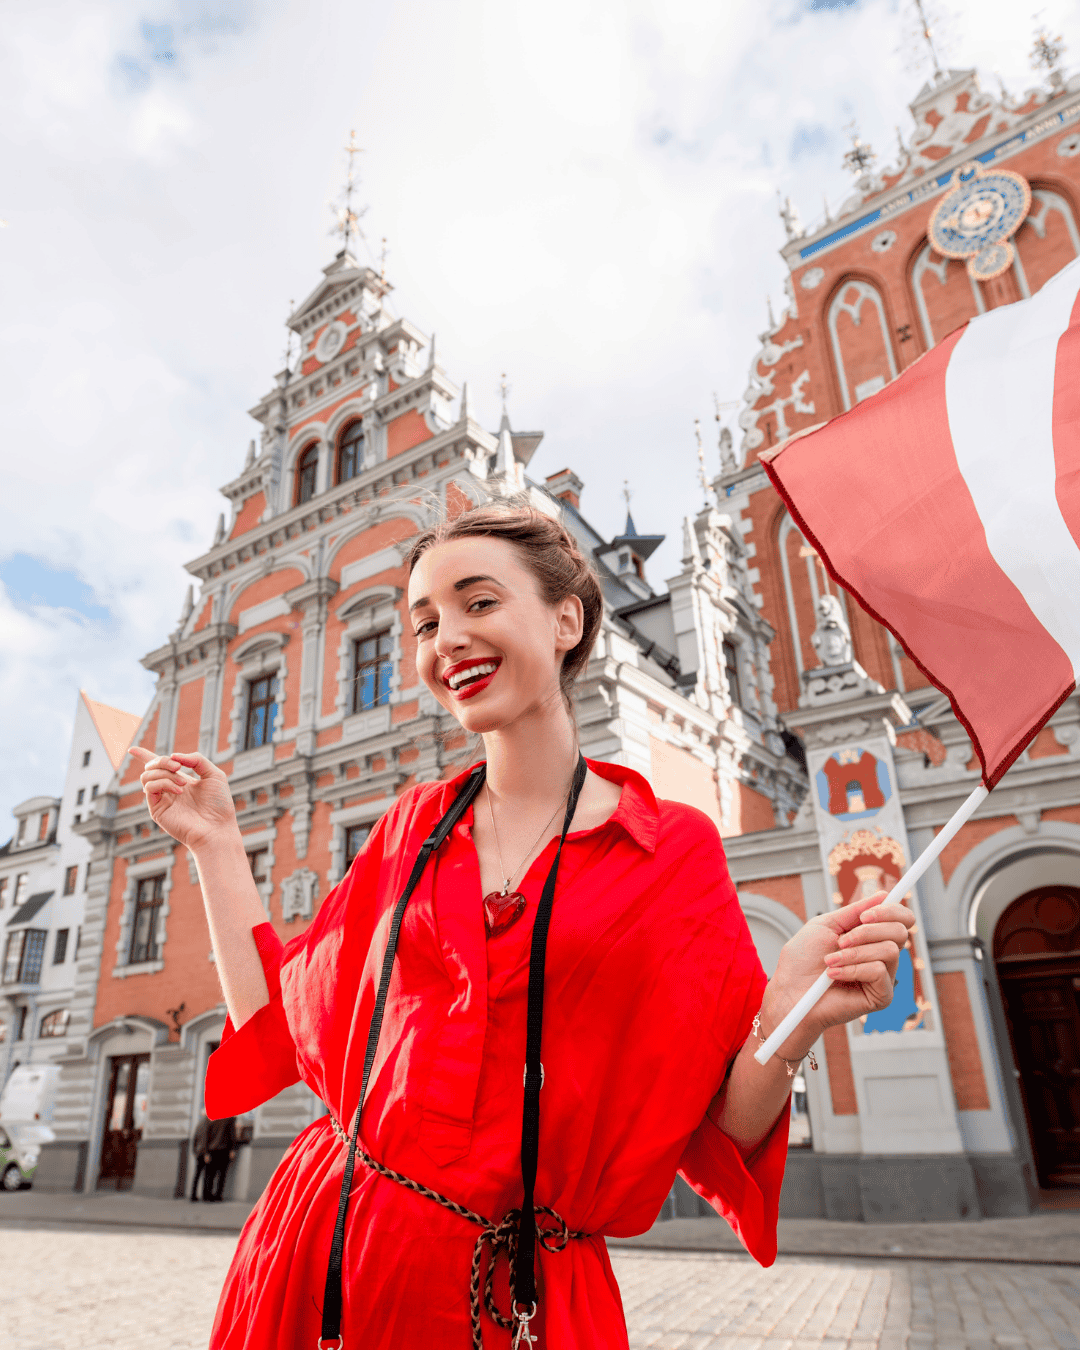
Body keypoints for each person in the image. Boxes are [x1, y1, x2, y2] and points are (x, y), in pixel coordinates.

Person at [130, 504, 914, 1350]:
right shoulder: (409, 827)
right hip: (327, 1253)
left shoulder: (667, 847)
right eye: (425, 622)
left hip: (523, 1291)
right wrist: (213, 843)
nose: (445, 641)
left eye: (477, 603)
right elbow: (279, 1026)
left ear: (566, 618)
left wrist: (788, 1017)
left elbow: (721, 1125)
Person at [204, 1115, 237, 1202]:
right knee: (221, 1175)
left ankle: (208, 1195)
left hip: (212, 1150)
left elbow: (207, 1136)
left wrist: (206, 1152)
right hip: (224, 1150)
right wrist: (233, 1149)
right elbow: (232, 1134)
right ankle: (218, 1195)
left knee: (211, 1175)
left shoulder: (212, 1118)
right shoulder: (229, 1119)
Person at [190, 1113, 211, 1202]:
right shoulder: (206, 1124)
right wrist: (206, 1153)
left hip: (198, 1152)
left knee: (197, 1175)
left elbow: (195, 1138)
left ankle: (193, 1195)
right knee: (206, 1174)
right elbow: (205, 1139)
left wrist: (194, 1151)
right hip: (203, 1152)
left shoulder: (199, 1123)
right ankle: (205, 1195)